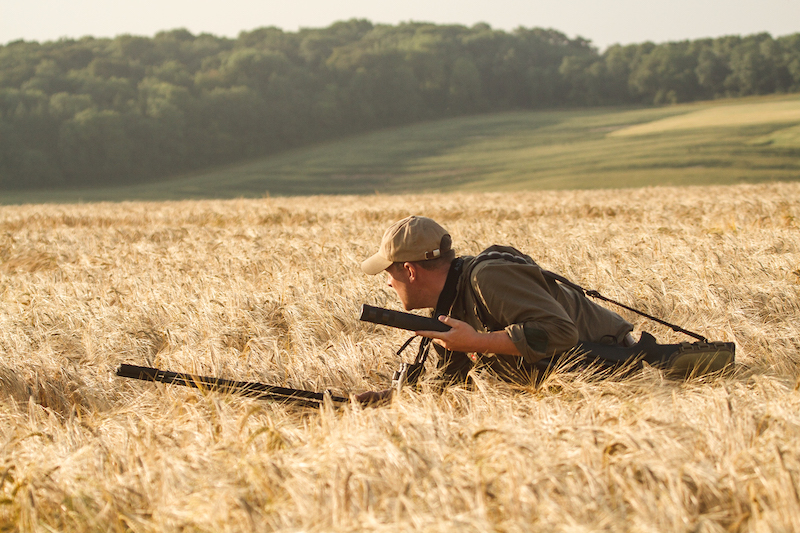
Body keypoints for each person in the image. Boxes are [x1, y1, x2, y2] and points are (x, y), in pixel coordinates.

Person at [355, 215, 636, 404]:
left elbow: (562, 333)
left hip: (615, 366)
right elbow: (450, 383)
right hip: (578, 387)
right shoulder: (448, 302)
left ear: (410, 270)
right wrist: (391, 400)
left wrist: (478, 342)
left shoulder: (487, 278)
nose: (390, 283)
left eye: (389, 273)